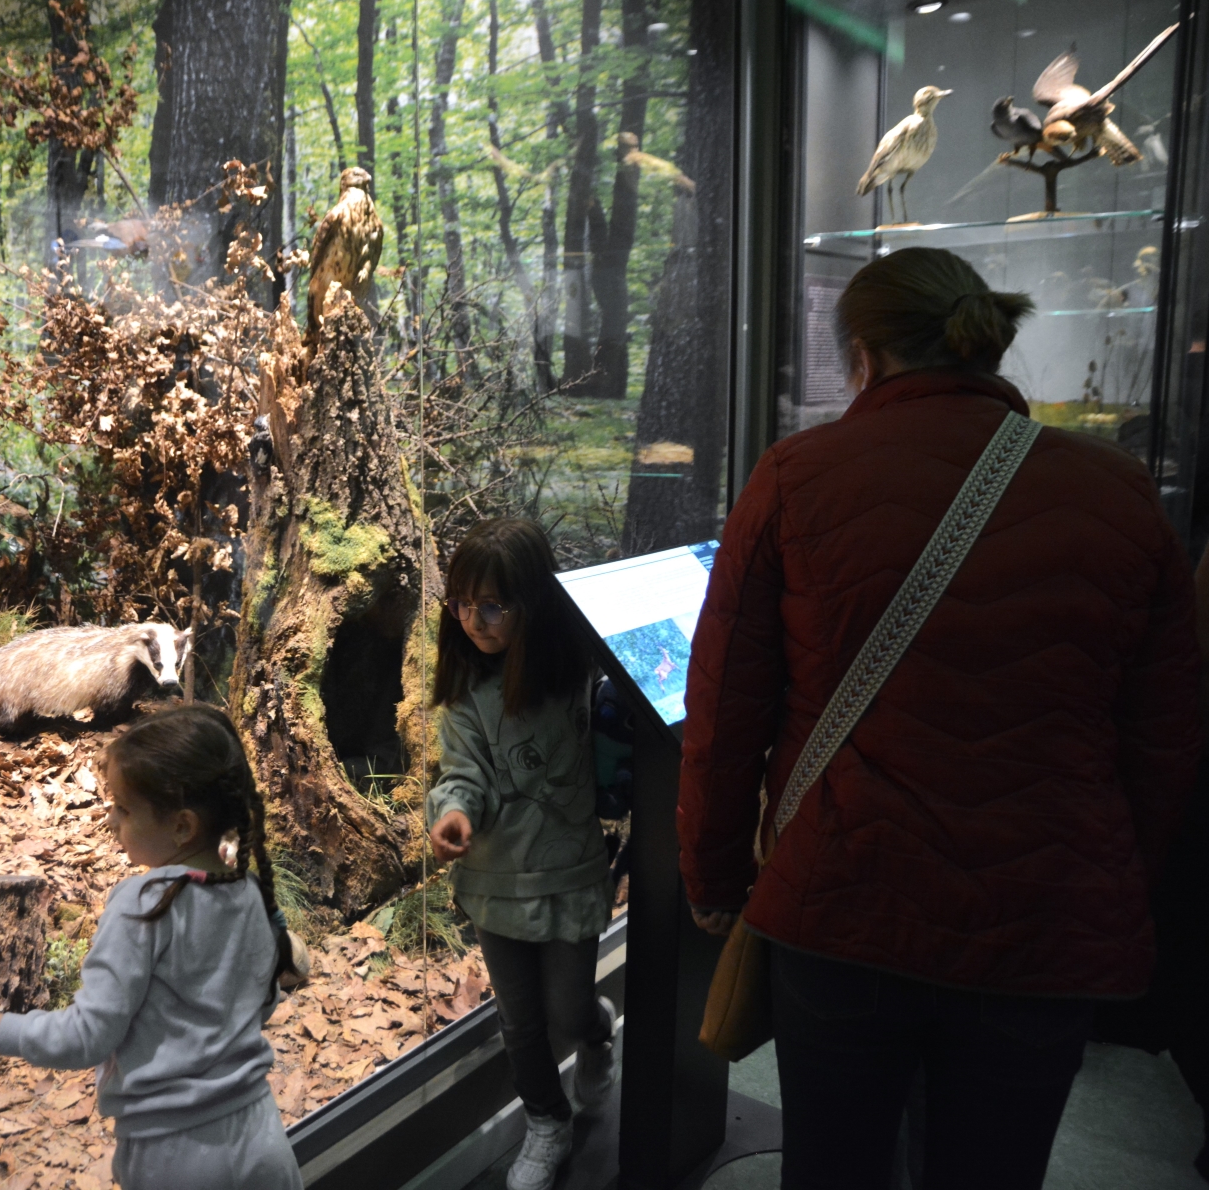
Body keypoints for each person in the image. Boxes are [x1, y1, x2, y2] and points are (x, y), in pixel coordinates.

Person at [678, 245, 1200, 1190]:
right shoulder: (1119, 491)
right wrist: (1115, 876)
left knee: (833, 1167)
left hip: (844, 905)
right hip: (1042, 915)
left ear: (863, 357)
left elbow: (725, 708)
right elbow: (1163, 738)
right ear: (986, 346)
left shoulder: (798, 477)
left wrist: (714, 877)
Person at [0, 704, 302, 1190]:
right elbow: (261, 1004)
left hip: (176, 1158)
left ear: (182, 826)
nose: (111, 819)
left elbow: (88, 1037)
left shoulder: (143, 903)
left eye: (124, 808)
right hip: (264, 1141)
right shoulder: (251, 894)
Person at [427, 517, 618, 1190]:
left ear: (533, 602)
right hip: (496, 878)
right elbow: (462, 773)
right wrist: (453, 814)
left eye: (492, 606)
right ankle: (546, 1120)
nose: (473, 621)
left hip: (570, 872)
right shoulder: (465, 694)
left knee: (568, 1009)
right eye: (462, 604)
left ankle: (596, 1032)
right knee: (521, 1020)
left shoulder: (578, 671)